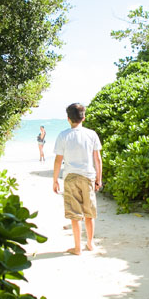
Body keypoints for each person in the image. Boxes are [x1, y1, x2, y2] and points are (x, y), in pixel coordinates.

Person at [52, 103, 102, 255]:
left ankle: (77, 247)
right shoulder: (91, 134)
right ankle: (90, 243)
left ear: (68, 119)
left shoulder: (63, 135)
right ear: (83, 118)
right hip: (88, 177)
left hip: (70, 177)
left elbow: (58, 160)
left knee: (74, 214)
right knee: (89, 212)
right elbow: (98, 159)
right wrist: (98, 179)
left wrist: (55, 180)